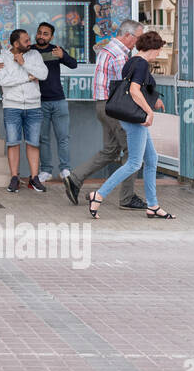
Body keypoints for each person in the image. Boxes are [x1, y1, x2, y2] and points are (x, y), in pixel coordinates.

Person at [65, 19, 157, 209]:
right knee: (133, 153)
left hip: (103, 106)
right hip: (116, 109)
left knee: (111, 150)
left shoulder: (108, 50)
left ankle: (75, 178)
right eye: (138, 38)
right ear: (128, 36)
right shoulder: (119, 56)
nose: (139, 43)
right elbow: (129, 88)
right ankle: (127, 198)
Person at [87, 31, 174, 220]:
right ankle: (99, 194)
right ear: (152, 49)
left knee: (151, 159)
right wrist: (149, 111)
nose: (158, 54)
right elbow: (134, 90)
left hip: (129, 116)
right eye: (158, 50)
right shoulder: (142, 64)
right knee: (134, 162)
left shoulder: (131, 60)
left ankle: (152, 206)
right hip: (136, 118)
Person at [0, 29, 48, 193]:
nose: (29, 42)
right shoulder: (2, 58)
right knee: (13, 142)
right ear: (16, 44)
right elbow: (4, 81)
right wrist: (28, 77)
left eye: (29, 39)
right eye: (25, 41)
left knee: (33, 143)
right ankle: (14, 177)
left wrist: (24, 63)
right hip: (12, 105)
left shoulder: (34, 55)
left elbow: (43, 74)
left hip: (33, 105)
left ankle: (34, 178)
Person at [32, 21, 78, 190]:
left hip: (59, 100)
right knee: (43, 138)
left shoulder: (55, 50)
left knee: (63, 137)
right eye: (39, 32)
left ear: (51, 37)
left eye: (45, 34)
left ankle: (65, 169)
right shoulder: (30, 51)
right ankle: (46, 170)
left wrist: (62, 56)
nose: (41, 36)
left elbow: (74, 64)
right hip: (38, 102)